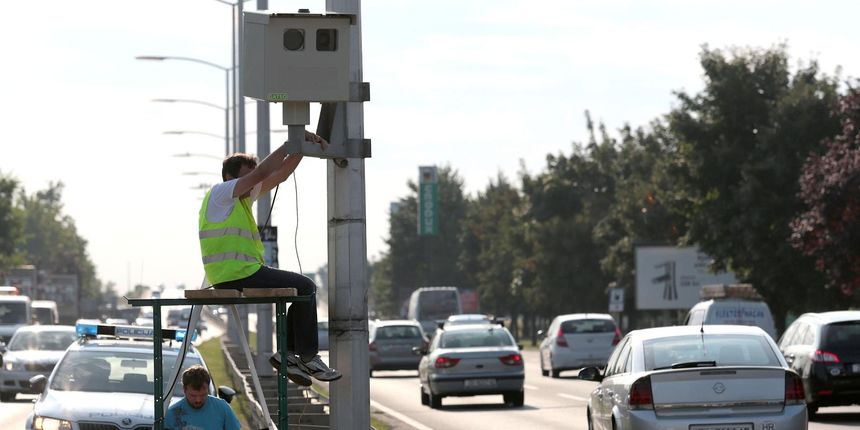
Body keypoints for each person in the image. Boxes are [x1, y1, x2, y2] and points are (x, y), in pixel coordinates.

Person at [198, 131, 341, 386]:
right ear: (230, 177)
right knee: (306, 286)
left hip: (238, 273)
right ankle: (306, 357)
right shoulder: (221, 193)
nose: (253, 183)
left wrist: (301, 148)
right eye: (247, 177)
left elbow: (280, 174)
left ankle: (288, 354)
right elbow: (264, 172)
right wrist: (288, 145)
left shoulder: (240, 198)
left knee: (300, 289)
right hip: (237, 273)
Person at [165, 365, 240, 430]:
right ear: (184, 390)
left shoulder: (222, 409)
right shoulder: (171, 414)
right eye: (193, 395)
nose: (198, 400)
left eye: (203, 395)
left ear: (208, 389)